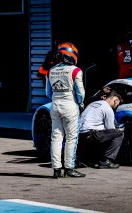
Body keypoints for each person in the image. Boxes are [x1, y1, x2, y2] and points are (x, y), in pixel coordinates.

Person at [46, 42, 86, 178]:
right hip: (70, 105)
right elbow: (80, 92)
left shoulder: (51, 70)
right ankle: (69, 169)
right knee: (71, 138)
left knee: (56, 138)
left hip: (55, 104)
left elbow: (47, 92)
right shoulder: (75, 70)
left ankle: (56, 169)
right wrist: (80, 103)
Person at [78, 90, 124, 169]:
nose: (117, 107)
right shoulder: (108, 109)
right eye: (118, 104)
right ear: (115, 100)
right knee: (118, 134)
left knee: (101, 133)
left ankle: (90, 159)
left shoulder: (93, 104)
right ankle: (106, 161)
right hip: (91, 135)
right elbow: (110, 128)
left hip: (80, 136)